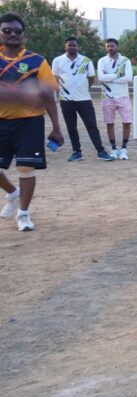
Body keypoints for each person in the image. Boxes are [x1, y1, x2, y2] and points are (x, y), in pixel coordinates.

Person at [0, 12, 64, 232]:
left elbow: (48, 95)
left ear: (23, 35)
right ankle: (12, 193)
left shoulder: (37, 61)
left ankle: (23, 214)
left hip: (30, 122)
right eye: (7, 30)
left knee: (26, 168)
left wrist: (56, 128)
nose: (12, 34)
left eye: (17, 31)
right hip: (1, 121)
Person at [52, 37, 113, 162]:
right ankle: (77, 152)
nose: (72, 47)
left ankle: (100, 151)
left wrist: (84, 89)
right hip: (66, 100)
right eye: (69, 45)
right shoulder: (58, 61)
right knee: (71, 127)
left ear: (77, 47)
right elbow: (55, 78)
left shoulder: (86, 61)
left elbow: (91, 78)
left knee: (91, 125)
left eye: (74, 45)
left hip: (84, 99)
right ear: (65, 46)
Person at [96, 38, 133, 159]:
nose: (110, 48)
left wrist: (109, 77)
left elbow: (128, 78)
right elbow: (101, 77)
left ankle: (124, 149)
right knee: (109, 123)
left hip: (123, 96)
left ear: (117, 46)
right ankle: (113, 149)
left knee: (127, 122)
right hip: (107, 96)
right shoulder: (102, 61)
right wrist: (118, 75)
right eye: (108, 46)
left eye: (112, 46)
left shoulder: (125, 60)